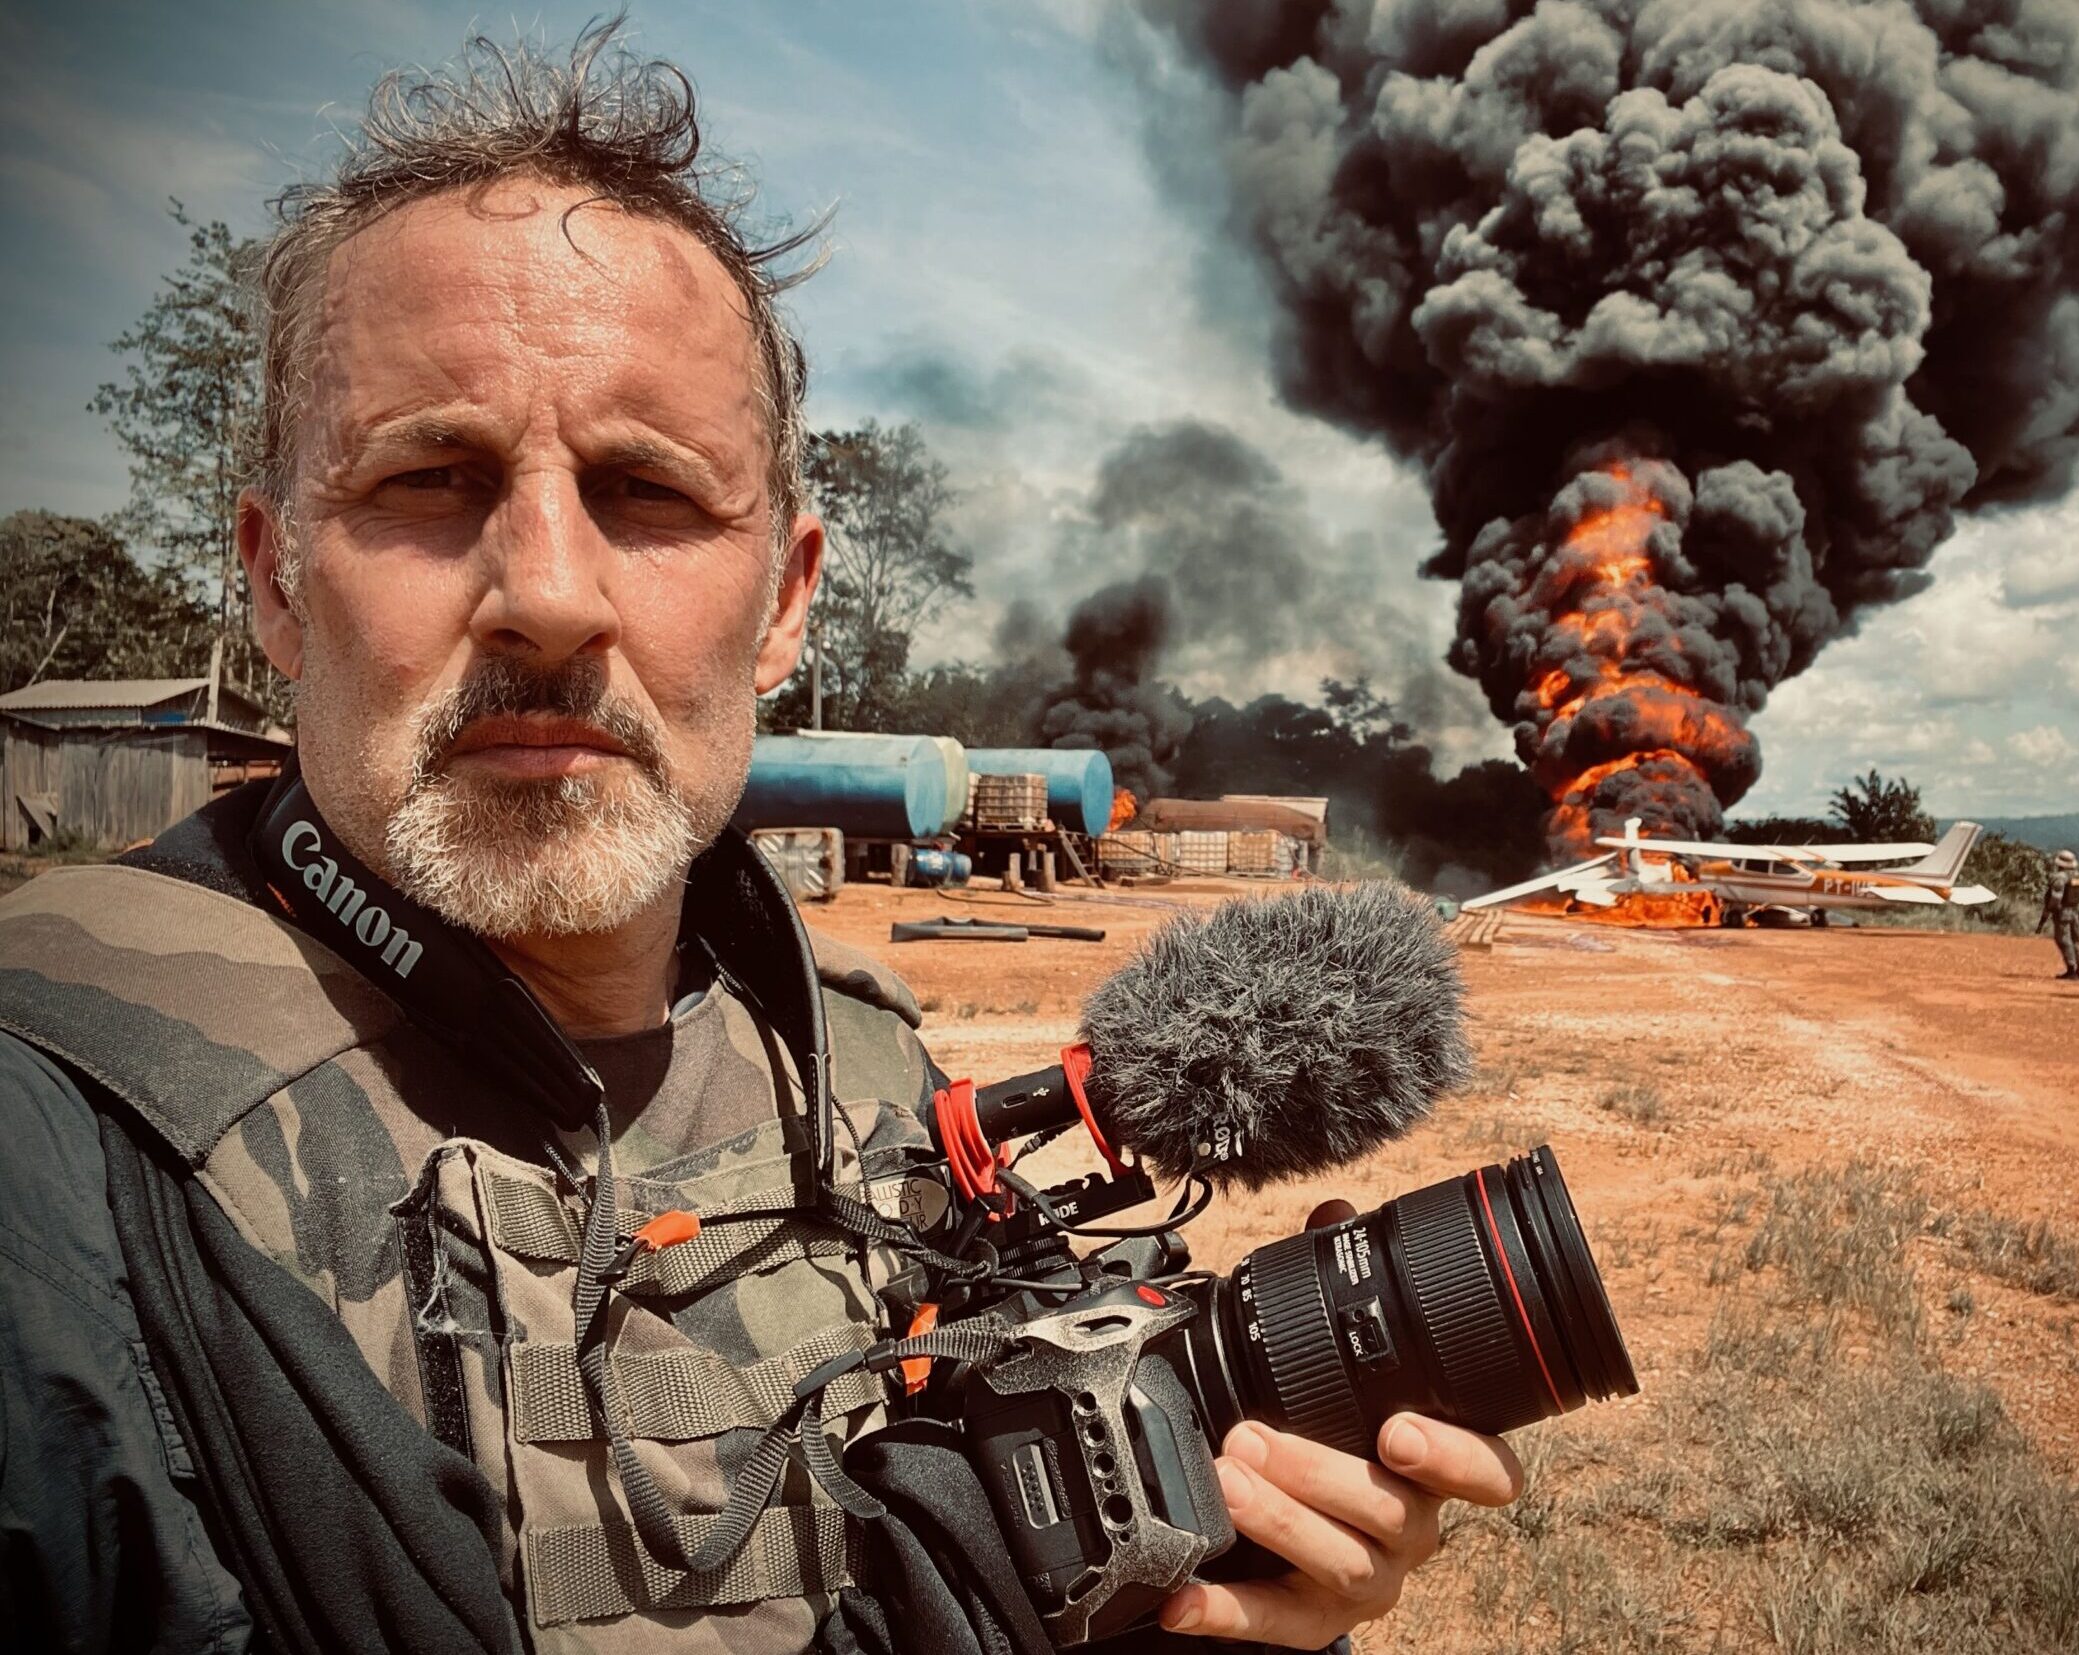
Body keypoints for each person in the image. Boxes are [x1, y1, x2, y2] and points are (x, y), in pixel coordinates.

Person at [0, 26, 1518, 1655]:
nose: (551, 596)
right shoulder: (55, 1138)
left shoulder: (861, 1081)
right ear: (277, 580)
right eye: (431, 478)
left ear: (786, 602)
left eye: (648, 494)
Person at [2038, 849, 2079, 980]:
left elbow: (2056, 897)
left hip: (2063, 912)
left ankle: (2071, 969)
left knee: (2064, 940)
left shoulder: (2059, 877)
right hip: (2075, 911)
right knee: (2076, 941)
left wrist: (2050, 909)